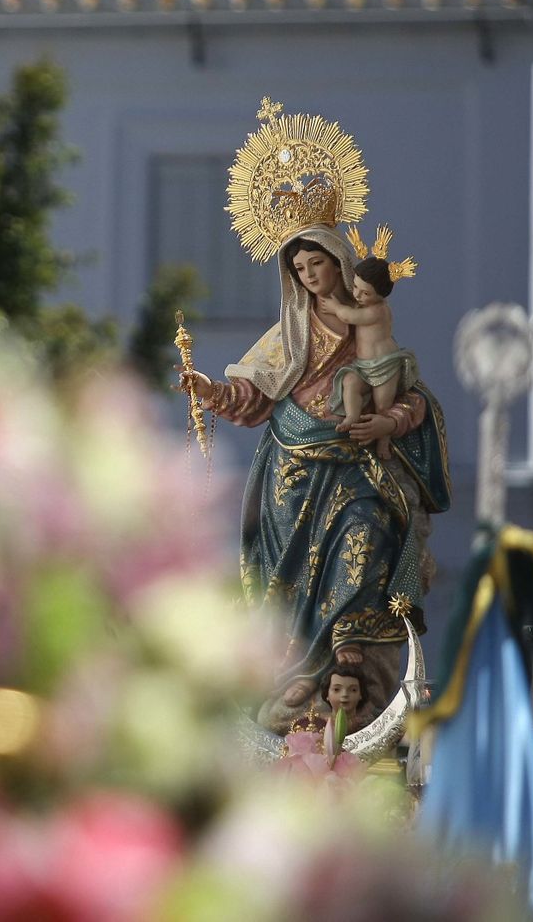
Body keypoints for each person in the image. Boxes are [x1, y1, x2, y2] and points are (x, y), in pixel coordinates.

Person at [176, 100, 450, 733]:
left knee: (369, 532)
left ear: (336, 258)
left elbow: (413, 396)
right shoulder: (289, 333)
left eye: (316, 262)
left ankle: (350, 659)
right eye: (297, 268)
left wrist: (387, 425)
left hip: (358, 463)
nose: (308, 274)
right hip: (291, 473)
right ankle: (298, 681)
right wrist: (210, 391)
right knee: (289, 585)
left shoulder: (369, 321)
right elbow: (253, 400)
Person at [322, 254, 419, 462]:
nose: (357, 295)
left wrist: (335, 307)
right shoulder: (363, 303)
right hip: (363, 365)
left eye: (365, 293)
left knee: (382, 405)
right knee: (350, 382)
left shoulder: (378, 310)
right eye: (355, 287)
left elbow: (349, 317)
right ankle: (352, 417)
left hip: (385, 365)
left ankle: (383, 439)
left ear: (381, 294)